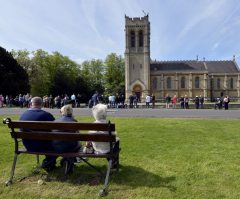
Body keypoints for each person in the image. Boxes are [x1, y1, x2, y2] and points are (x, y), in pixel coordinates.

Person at [19, 96, 56, 171]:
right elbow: (55, 130)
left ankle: (49, 163)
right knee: (58, 145)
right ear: (42, 104)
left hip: (28, 145)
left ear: (31, 104)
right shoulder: (47, 115)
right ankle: (48, 163)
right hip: (44, 146)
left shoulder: (23, 115)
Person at [85, 104, 120, 169]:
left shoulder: (92, 125)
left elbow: (89, 137)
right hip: (108, 149)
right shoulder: (109, 125)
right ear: (105, 114)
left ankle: (112, 161)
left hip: (96, 149)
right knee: (117, 140)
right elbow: (114, 136)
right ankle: (113, 162)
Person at [52, 105, 81, 174]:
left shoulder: (55, 121)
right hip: (70, 148)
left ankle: (66, 161)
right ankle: (69, 162)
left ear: (62, 112)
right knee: (76, 144)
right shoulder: (74, 121)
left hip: (55, 147)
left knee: (68, 143)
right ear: (71, 112)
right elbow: (78, 136)